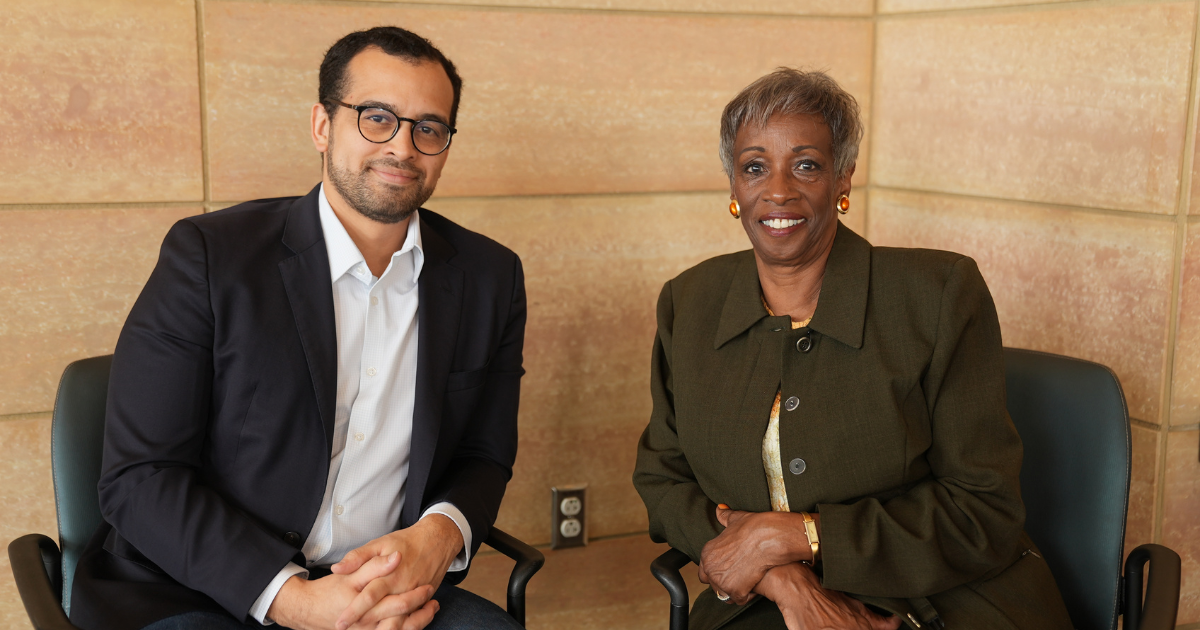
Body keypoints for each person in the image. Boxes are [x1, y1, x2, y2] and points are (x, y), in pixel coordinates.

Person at [69, 26, 527, 630]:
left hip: (378, 588)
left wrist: (438, 537)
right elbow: (139, 479)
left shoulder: (490, 277)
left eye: (428, 127)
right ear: (321, 125)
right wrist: (293, 599)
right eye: (376, 117)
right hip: (202, 589)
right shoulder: (210, 258)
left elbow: (483, 455)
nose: (403, 147)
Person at [633, 68, 1074, 630]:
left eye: (807, 165)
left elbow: (982, 509)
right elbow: (663, 478)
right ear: (733, 187)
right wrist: (776, 572)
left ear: (843, 179)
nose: (778, 191)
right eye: (754, 167)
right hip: (762, 605)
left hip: (943, 598)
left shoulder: (937, 294)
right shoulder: (689, 302)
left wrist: (798, 534)